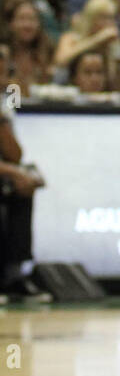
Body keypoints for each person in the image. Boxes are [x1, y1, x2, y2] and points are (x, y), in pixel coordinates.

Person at [0, 41, 50, 304]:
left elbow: (14, 155)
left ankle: (14, 275)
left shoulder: (6, 100)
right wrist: (13, 171)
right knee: (16, 179)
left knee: (23, 189)